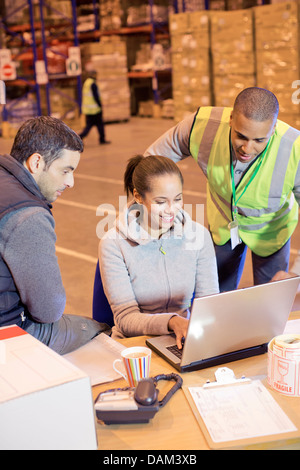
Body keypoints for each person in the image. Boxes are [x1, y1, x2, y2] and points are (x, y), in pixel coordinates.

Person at [144, 87, 300, 292]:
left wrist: (296, 272)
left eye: (259, 140)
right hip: (224, 225)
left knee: (272, 302)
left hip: (272, 232)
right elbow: (150, 162)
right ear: (231, 118)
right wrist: (144, 208)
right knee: (215, 297)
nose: (247, 148)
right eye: (241, 136)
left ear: (273, 129)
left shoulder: (294, 148)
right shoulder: (202, 126)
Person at [0, 116, 110, 354]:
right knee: (97, 330)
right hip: (8, 334)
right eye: (65, 171)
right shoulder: (27, 215)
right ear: (36, 162)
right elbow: (48, 309)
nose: (70, 182)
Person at [98, 154, 219, 349]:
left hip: (182, 339)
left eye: (178, 199)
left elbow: (210, 304)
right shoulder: (113, 244)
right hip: (134, 346)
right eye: (161, 202)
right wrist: (171, 321)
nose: (172, 210)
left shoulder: (199, 236)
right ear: (138, 196)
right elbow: (125, 319)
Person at [79, 70, 110, 145]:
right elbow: (96, 96)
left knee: (90, 126)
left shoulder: (87, 82)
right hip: (95, 110)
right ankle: (101, 139)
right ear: (94, 75)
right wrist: (100, 105)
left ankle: (79, 137)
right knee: (99, 125)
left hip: (88, 110)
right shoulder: (93, 84)